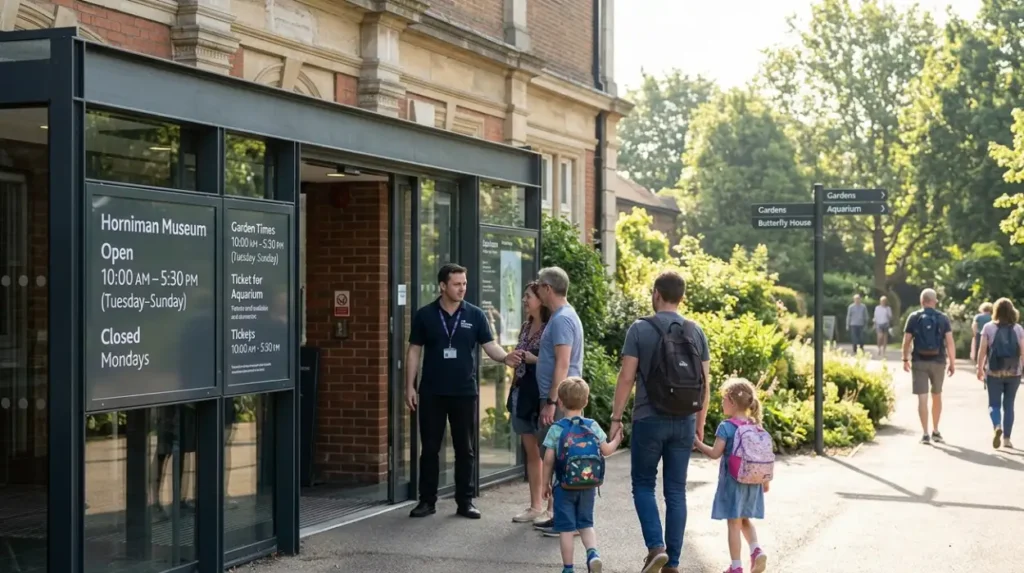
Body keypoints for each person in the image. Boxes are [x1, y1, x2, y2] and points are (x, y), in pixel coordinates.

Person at [610, 271, 711, 573]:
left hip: (648, 418)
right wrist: (699, 423)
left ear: (656, 293)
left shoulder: (640, 329)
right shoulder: (696, 331)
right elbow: (705, 382)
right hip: (684, 420)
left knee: (643, 484)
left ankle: (656, 547)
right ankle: (673, 564)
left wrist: (616, 417)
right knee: (676, 491)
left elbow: (627, 377)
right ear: (681, 297)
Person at [405, 263, 522, 519]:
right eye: (457, 284)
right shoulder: (425, 315)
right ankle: (427, 501)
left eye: (464, 283)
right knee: (430, 449)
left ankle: (465, 501)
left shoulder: (475, 315)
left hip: (464, 392)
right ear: (443, 286)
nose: (462, 288)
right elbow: (414, 351)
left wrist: (506, 358)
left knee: (465, 449)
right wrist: (409, 387)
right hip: (433, 392)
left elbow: (489, 345)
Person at [541, 377, 622, 573]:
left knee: (567, 529)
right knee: (586, 523)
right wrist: (617, 439)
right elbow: (606, 450)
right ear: (585, 401)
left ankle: (568, 568)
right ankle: (593, 553)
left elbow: (549, 459)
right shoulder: (592, 425)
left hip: (563, 486)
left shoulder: (557, 429)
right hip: (588, 485)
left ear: (560, 402)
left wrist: (545, 484)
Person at [693, 378, 769, 573]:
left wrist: (697, 443)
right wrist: (765, 481)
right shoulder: (755, 425)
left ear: (732, 402)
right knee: (744, 519)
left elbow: (715, 453)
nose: (721, 403)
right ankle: (756, 550)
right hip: (753, 482)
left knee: (733, 523)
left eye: (724, 399)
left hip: (733, 481)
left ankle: (736, 567)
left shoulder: (726, 427)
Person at [531, 266, 585, 534]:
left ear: (548, 289)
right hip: (560, 399)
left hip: (561, 401)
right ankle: (559, 515)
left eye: (539, 285)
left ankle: (567, 521)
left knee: (559, 458)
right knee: (558, 457)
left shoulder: (562, 318)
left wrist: (551, 402)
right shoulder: (562, 316)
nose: (537, 289)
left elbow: (562, 364)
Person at [507, 281, 550, 523]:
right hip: (522, 393)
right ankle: (535, 506)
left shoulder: (551, 326)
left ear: (541, 300)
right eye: (524, 295)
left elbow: (553, 359)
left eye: (529, 296)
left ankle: (551, 508)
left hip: (541, 394)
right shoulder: (526, 326)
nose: (525, 300)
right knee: (531, 453)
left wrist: (534, 359)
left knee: (549, 452)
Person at [902, 288, 955, 445]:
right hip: (938, 361)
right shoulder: (943, 318)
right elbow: (950, 342)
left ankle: (925, 434)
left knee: (922, 398)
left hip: (919, 361)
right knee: (937, 395)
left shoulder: (914, 317)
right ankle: (936, 431)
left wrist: (905, 359)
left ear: (922, 301)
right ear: (934, 301)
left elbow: (906, 340)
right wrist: (952, 362)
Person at [975, 297, 1023, 450]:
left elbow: (982, 350)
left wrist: (979, 368)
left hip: (994, 372)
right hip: (1014, 372)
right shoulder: (1018, 329)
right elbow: (1022, 351)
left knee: (994, 404)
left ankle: (997, 425)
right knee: (1009, 405)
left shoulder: (989, 327)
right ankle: (1007, 440)